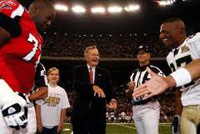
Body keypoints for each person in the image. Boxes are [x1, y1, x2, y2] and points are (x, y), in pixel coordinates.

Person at [133, 18, 200, 134]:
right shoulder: (170, 56)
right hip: (187, 106)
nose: (160, 36)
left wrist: (170, 80)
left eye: (165, 32)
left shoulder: (196, 40)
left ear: (178, 30)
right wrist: (177, 115)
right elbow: (180, 90)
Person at [0, 0, 55, 133]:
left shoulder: (38, 37)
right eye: (49, 18)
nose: (49, 23)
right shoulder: (18, 13)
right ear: (36, 8)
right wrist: (4, 95)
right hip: (6, 99)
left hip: (21, 100)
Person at [72, 45, 117, 134]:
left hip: (98, 114)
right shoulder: (78, 70)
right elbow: (77, 85)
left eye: (97, 55)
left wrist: (112, 99)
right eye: (93, 55)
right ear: (86, 56)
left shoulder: (105, 73)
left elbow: (109, 90)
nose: (96, 57)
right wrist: (92, 86)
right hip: (81, 113)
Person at [125, 45, 165, 134]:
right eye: (138, 54)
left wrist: (153, 91)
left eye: (143, 53)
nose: (140, 55)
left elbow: (165, 86)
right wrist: (130, 90)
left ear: (149, 55)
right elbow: (129, 96)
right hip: (136, 107)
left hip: (149, 106)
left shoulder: (155, 70)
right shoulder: (134, 73)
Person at [35, 67, 70, 134]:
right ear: (47, 76)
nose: (54, 76)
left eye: (56, 74)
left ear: (58, 77)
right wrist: (39, 123)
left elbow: (64, 109)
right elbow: (38, 107)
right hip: (42, 125)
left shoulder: (62, 91)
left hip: (56, 126)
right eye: (52, 74)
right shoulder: (42, 89)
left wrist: (61, 124)